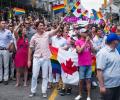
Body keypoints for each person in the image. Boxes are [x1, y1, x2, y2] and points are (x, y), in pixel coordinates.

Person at [28, 19, 63, 98]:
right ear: (36, 27)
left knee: (45, 76)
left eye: (43, 25)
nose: (42, 27)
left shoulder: (47, 34)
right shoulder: (34, 37)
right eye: (40, 25)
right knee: (34, 76)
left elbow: (56, 30)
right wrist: (29, 60)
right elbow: (30, 48)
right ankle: (33, 91)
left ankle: (44, 91)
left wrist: (60, 24)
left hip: (46, 58)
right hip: (36, 58)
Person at [96, 33, 120, 100]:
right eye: (117, 40)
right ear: (113, 41)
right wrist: (102, 86)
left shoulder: (115, 50)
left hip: (117, 84)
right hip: (108, 86)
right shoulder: (102, 53)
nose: (118, 41)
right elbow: (99, 70)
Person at [75, 29, 94, 100]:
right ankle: (80, 94)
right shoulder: (78, 41)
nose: (86, 33)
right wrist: (86, 42)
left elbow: (93, 50)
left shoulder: (89, 41)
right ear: (81, 33)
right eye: (85, 32)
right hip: (82, 64)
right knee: (81, 80)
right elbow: (79, 51)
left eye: (87, 32)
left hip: (89, 64)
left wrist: (90, 43)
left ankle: (88, 96)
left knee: (88, 80)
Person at [14, 23, 29, 87]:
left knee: (26, 69)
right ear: (21, 31)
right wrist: (19, 24)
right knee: (18, 70)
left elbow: (28, 48)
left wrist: (29, 57)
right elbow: (14, 31)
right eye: (24, 30)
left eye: (25, 30)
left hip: (25, 55)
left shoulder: (26, 39)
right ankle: (18, 82)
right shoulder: (18, 37)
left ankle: (25, 83)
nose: (25, 31)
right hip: (19, 55)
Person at [0, 19, 13, 85]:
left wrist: (9, 45)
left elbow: (11, 40)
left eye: (4, 23)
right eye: (2, 23)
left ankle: (5, 79)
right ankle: (0, 78)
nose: (4, 24)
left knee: (6, 65)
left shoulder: (8, 31)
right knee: (0, 65)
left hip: (5, 50)